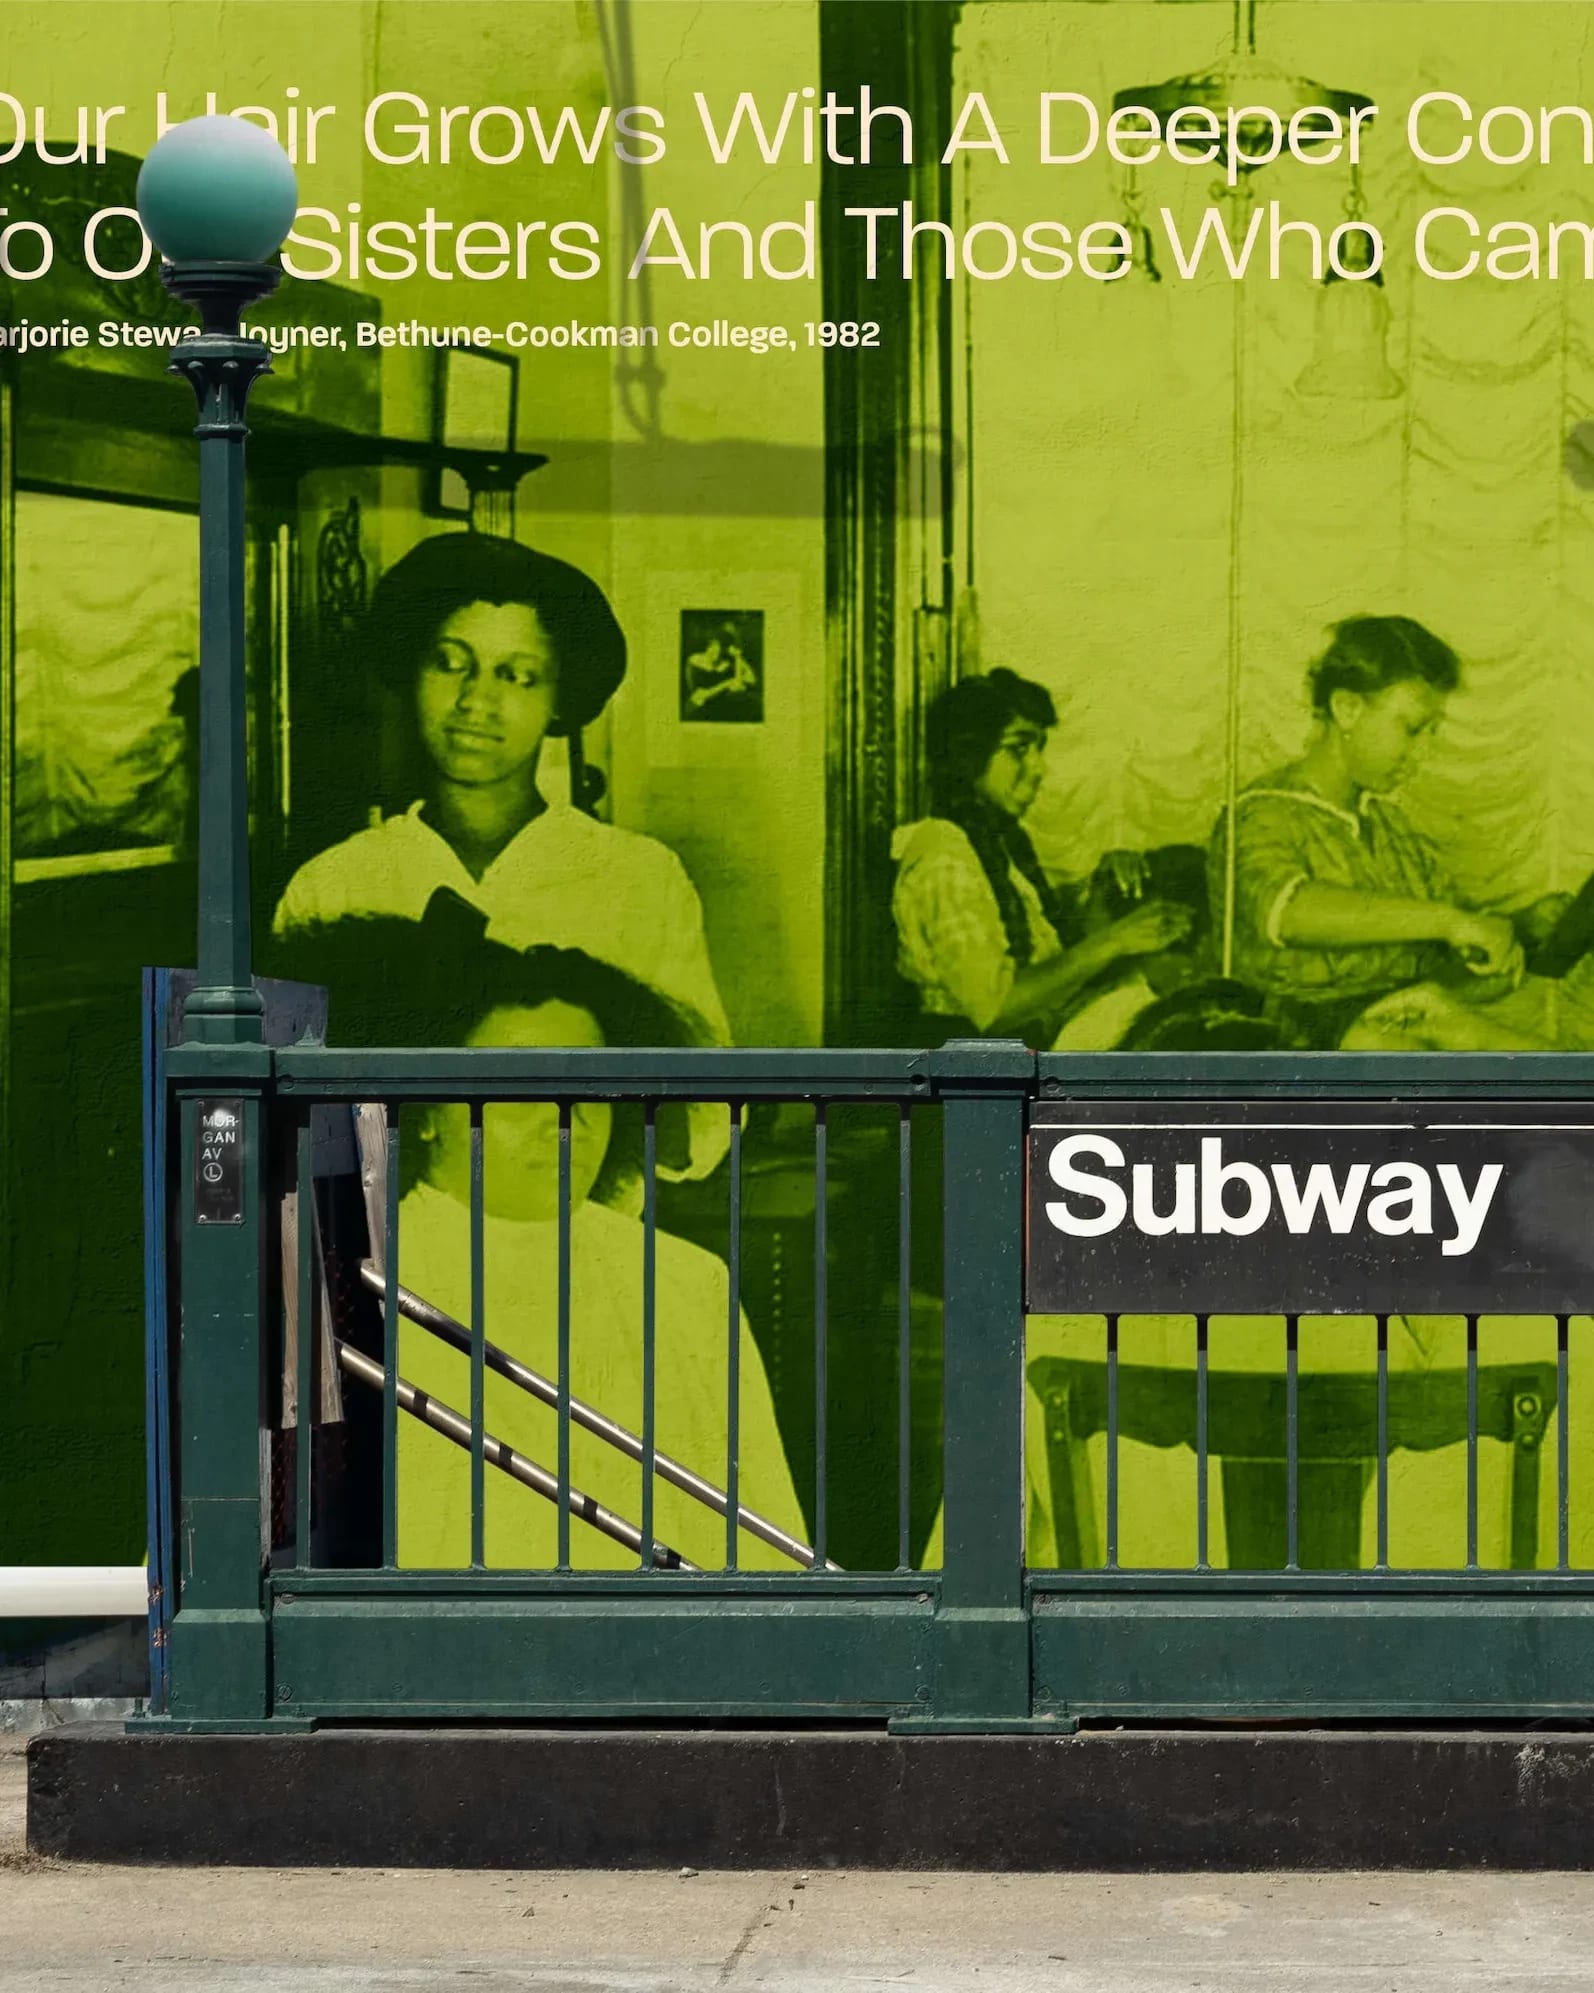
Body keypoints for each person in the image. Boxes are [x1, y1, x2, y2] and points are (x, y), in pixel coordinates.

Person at [281, 903, 806, 1573]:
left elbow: (770, 1536)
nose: (566, 1118)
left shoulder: (686, 1280)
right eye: (522, 1085)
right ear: (430, 1110)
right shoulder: (352, 1270)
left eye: (590, 1086)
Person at [271, 530, 730, 1174]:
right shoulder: (334, 884)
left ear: (558, 700)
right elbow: (289, 1126)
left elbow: (703, 1125)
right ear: (411, 670)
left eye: (517, 675)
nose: (476, 701)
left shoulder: (639, 878)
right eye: (450, 662)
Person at [1208, 615, 1541, 1050]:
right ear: (1347, 708)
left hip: (1395, 1018)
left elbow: (1438, 955)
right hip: (1286, 1039)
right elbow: (1289, 913)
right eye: (1413, 728)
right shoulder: (1259, 814)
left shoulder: (1389, 824)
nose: (1423, 752)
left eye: (1432, 733)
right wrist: (1452, 923)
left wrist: (1489, 953)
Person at [891, 668, 1194, 1046]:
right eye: (1019, 748)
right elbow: (996, 1009)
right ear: (970, 754)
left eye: (1039, 749)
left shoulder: (1000, 844)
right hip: (968, 1073)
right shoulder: (944, 859)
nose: (1038, 768)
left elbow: (1052, 962)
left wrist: (1103, 888)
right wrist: (1114, 941)